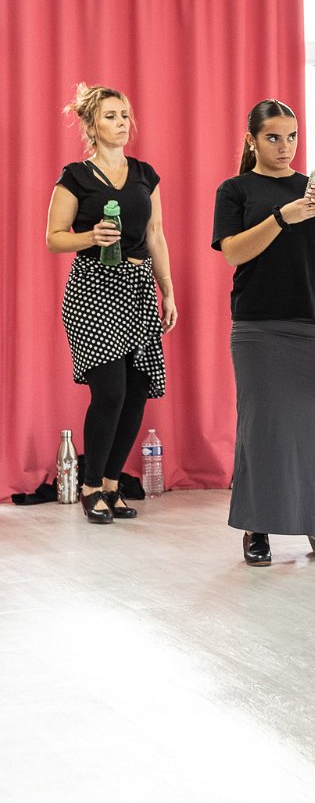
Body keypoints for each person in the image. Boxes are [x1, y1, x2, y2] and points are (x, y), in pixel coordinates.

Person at [212, 100, 315, 565]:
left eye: (291, 136)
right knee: (261, 427)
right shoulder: (235, 189)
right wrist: (281, 218)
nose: (284, 146)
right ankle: (257, 527)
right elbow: (233, 252)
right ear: (252, 139)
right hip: (258, 323)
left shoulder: (312, 191)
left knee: (314, 429)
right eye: (273, 137)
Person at [47, 83, 176, 523]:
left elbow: (155, 234)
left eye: (124, 115)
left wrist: (167, 290)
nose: (121, 123)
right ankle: (89, 487)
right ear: (91, 124)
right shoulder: (75, 177)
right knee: (111, 392)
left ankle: (111, 484)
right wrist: (90, 237)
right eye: (110, 116)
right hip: (92, 290)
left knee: (137, 391)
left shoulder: (144, 174)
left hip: (138, 289)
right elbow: (53, 238)